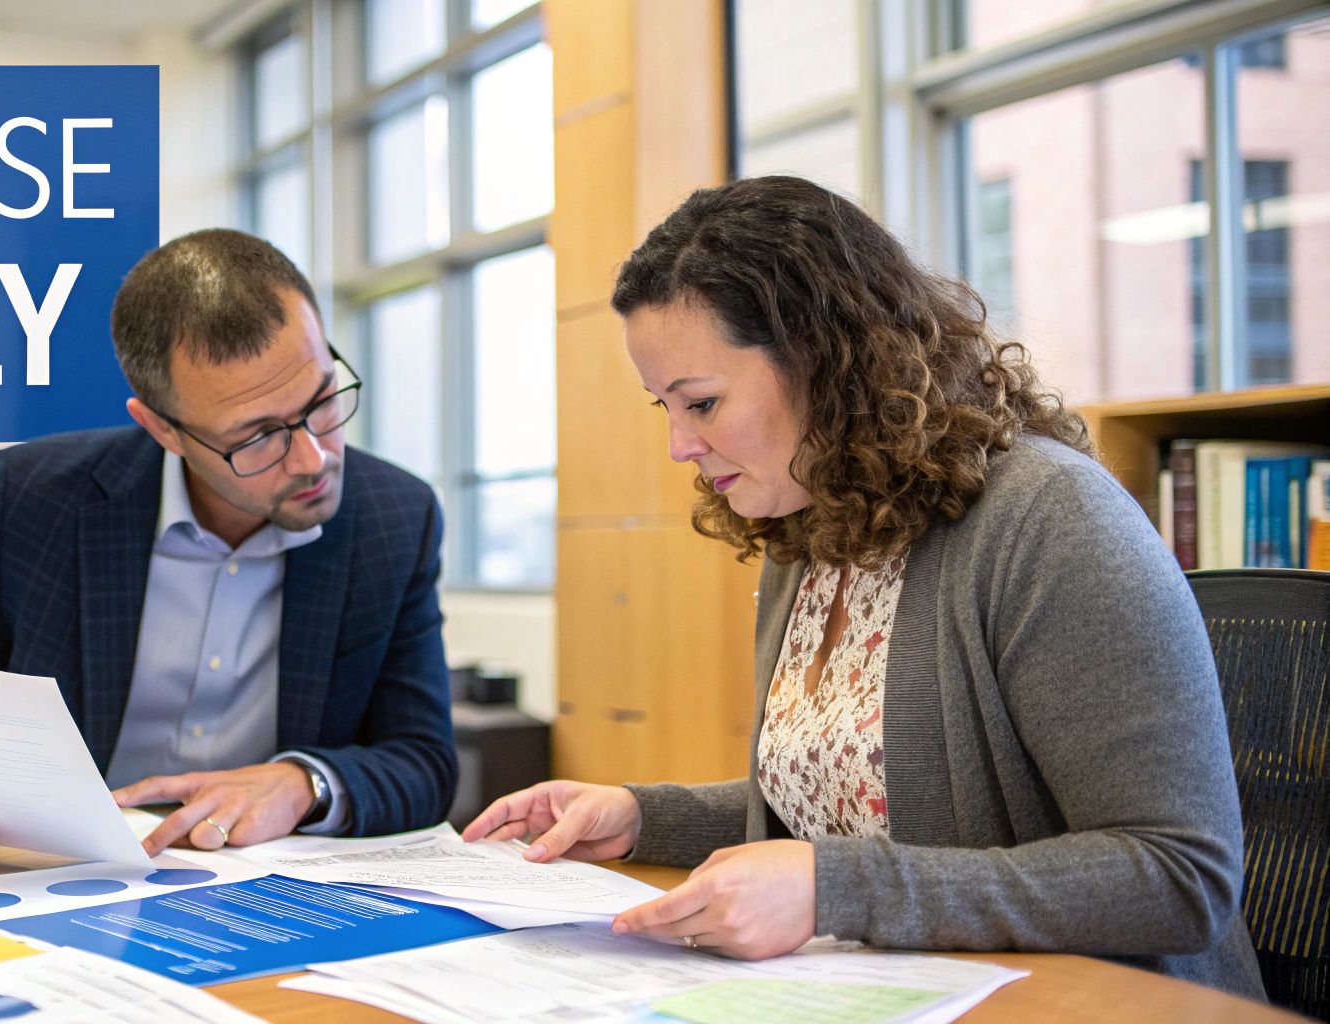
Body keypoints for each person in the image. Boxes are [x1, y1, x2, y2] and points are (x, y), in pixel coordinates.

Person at [464, 176, 1264, 999]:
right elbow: (861, 799)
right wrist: (643, 816)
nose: (679, 446)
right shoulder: (812, 531)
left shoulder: (1050, 519)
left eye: (700, 402)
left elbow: (1177, 876)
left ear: (823, 360)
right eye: (662, 406)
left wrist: (835, 890)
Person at [0, 229, 456, 871]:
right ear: (162, 428)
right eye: (257, 436)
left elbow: (423, 758)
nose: (315, 457)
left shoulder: (393, 518)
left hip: (268, 895)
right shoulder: (32, 500)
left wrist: (301, 782)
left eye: (321, 401)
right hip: (53, 886)